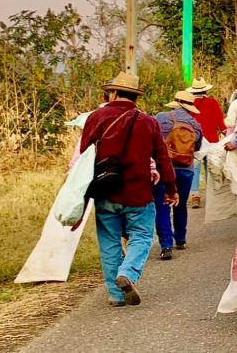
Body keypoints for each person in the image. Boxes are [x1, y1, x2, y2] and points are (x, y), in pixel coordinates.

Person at [78, 72, 177, 307]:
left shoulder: (95, 117)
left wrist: (80, 199)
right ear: (135, 97)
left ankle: (116, 293)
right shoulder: (148, 121)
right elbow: (163, 160)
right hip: (139, 193)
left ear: (112, 93)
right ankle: (129, 273)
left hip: (106, 192)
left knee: (110, 241)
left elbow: (83, 158)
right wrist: (171, 189)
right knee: (141, 236)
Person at [152, 90, 203, 260]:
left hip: (164, 168)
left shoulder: (160, 117)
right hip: (186, 169)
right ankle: (180, 239)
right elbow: (197, 147)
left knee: (163, 205)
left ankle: (166, 245)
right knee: (180, 204)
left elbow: (152, 140)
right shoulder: (195, 124)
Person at [187, 77, 226, 209]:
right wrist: (226, 133)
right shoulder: (213, 102)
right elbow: (221, 122)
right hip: (211, 141)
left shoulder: (189, 103)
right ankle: (212, 196)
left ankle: (195, 196)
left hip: (194, 141)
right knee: (210, 168)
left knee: (195, 169)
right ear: (205, 90)